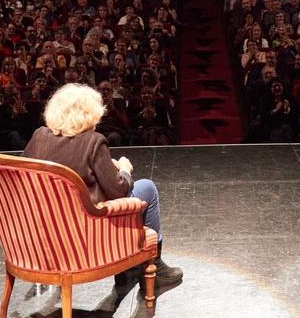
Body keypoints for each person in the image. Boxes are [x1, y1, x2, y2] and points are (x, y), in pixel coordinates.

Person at [22, 83, 182, 294]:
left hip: (47, 228)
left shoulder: (39, 137)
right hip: (87, 230)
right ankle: (151, 264)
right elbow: (119, 190)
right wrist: (124, 170)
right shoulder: (93, 142)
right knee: (147, 188)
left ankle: (127, 269)